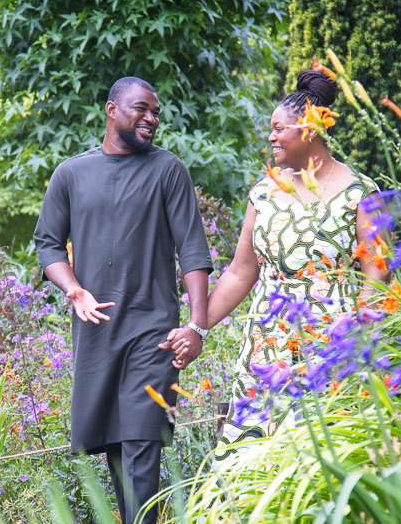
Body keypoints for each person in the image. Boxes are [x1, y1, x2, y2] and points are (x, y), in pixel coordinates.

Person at [33, 76, 213, 524]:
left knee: (140, 441)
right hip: (95, 333)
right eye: (141, 109)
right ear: (112, 110)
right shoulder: (71, 174)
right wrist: (74, 290)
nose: (151, 118)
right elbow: (48, 244)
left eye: (156, 112)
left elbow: (193, 252)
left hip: (155, 332)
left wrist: (196, 326)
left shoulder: (168, 171)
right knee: (115, 445)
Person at [163, 68, 384, 460]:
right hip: (267, 348)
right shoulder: (264, 193)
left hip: (331, 346)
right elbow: (240, 271)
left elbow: (377, 275)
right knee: (252, 461)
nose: (271, 136)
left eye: (279, 128)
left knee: (326, 461)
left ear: (310, 130)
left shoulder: (360, 193)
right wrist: (197, 326)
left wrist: (357, 338)